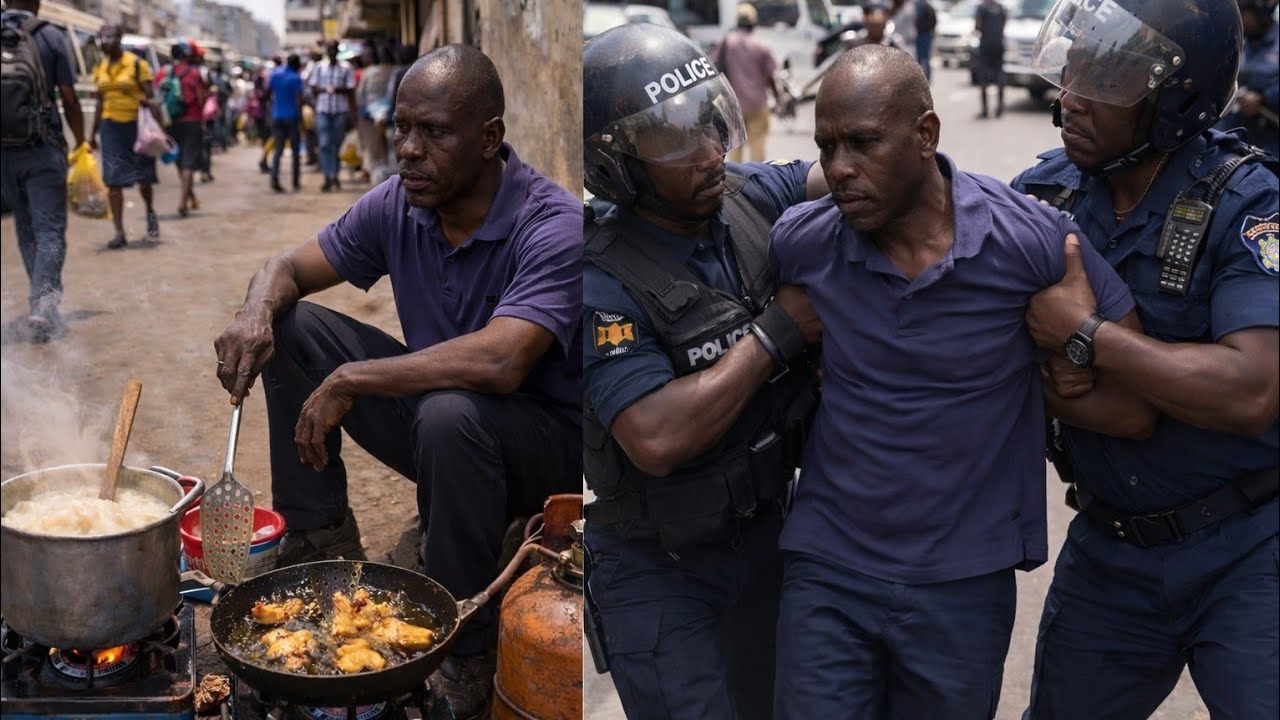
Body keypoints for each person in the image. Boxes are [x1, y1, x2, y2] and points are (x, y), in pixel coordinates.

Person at [768, 44, 1144, 719]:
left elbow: (1136, 402)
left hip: (964, 585)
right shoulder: (805, 242)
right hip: (828, 569)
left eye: (863, 143)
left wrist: (1067, 356)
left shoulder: (1032, 242)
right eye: (827, 147)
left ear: (926, 135)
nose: (839, 168)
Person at [212, 44, 581, 720]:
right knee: (292, 327)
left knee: (448, 412)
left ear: (489, 139)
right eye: (401, 127)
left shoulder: (552, 224)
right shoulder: (400, 204)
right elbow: (286, 267)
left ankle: (465, 646)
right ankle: (319, 534)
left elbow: (503, 362)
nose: (408, 149)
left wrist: (353, 376)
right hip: (448, 435)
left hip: (544, 456)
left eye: (433, 132)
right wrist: (254, 313)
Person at [1010, 0, 1279, 714]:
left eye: (1103, 84)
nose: (1070, 101)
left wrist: (1087, 335)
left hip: (1249, 551)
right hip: (1111, 551)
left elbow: (1250, 389)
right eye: (1071, 75)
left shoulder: (1247, 202)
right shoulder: (1044, 197)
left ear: (1175, 103)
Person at [581, 24, 827, 720]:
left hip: (768, 538)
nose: (709, 152)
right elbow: (655, 436)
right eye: (672, 139)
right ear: (616, 164)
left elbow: (854, 174)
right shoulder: (595, 278)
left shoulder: (748, 196)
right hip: (659, 567)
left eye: (708, 123)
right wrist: (778, 332)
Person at [0, 0, 85, 342]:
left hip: (4, 153)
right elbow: (69, 97)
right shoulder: (51, 36)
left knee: (25, 225)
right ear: (36, 2)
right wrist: (81, 141)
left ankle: (39, 301)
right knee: (49, 228)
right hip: (42, 147)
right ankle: (42, 307)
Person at [90, 23, 159, 249]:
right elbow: (100, 102)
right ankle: (119, 232)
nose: (106, 42)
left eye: (110, 37)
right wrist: (92, 135)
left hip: (136, 126)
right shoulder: (100, 67)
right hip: (110, 127)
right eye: (102, 38)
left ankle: (150, 212)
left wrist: (145, 101)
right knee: (113, 180)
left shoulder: (137, 65)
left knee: (144, 177)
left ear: (119, 39)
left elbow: (151, 96)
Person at [712, 4, 780, 163]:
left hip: (732, 104)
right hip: (758, 104)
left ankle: (736, 177)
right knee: (758, 144)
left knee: (735, 147)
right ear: (754, 23)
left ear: (737, 21)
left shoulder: (726, 43)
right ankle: (756, 175)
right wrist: (777, 96)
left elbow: (713, 67)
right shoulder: (761, 46)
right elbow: (770, 76)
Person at [1215, 0, 1279, 157]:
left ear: (1261, 12)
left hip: (1270, 139)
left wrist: (1264, 97)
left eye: (1242, 12)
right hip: (1233, 132)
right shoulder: (1237, 38)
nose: (1238, 18)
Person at [156, 41, 207, 217]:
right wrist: (203, 119)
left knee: (180, 161)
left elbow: (158, 98)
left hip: (171, 121)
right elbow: (201, 99)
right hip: (192, 121)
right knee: (188, 162)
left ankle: (191, 197)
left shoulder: (163, 73)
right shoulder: (195, 73)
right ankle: (183, 202)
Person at [308, 40, 356, 192]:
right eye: (329, 49)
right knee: (324, 144)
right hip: (323, 111)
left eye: (334, 49)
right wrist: (324, 90)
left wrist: (337, 90)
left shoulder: (346, 68)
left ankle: (335, 174)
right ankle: (327, 176)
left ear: (337, 51)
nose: (332, 52)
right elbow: (313, 87)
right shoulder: (319, 67)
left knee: (336, 145)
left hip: (340, 111)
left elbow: (351, 89)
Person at [267, 54, 304, 193]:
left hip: (277, 116)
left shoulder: (275, 74)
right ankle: (295, 181)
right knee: (295, 150)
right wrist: (301, 118)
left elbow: (268, 93)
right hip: (292, 116)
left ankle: (274, 178)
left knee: (278, 150)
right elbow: (298, 99)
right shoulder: (295, 77)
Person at [974, 0, 1006, 118]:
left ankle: (985, 110)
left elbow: (977, 26)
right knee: (1000, 74)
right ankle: (1000, 107)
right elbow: (1004, 24)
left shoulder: (982, 8)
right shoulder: (1001, 7)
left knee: (983, 76)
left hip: (985, 45)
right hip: (998, 44)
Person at [913, 0, 937, 81]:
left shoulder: (926, 8)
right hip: (922, 35)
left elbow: (933, 22)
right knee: (922, 58)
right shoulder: (922, 7)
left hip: (925, 35)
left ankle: (925, 78)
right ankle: (922, 78)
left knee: (924, 58)